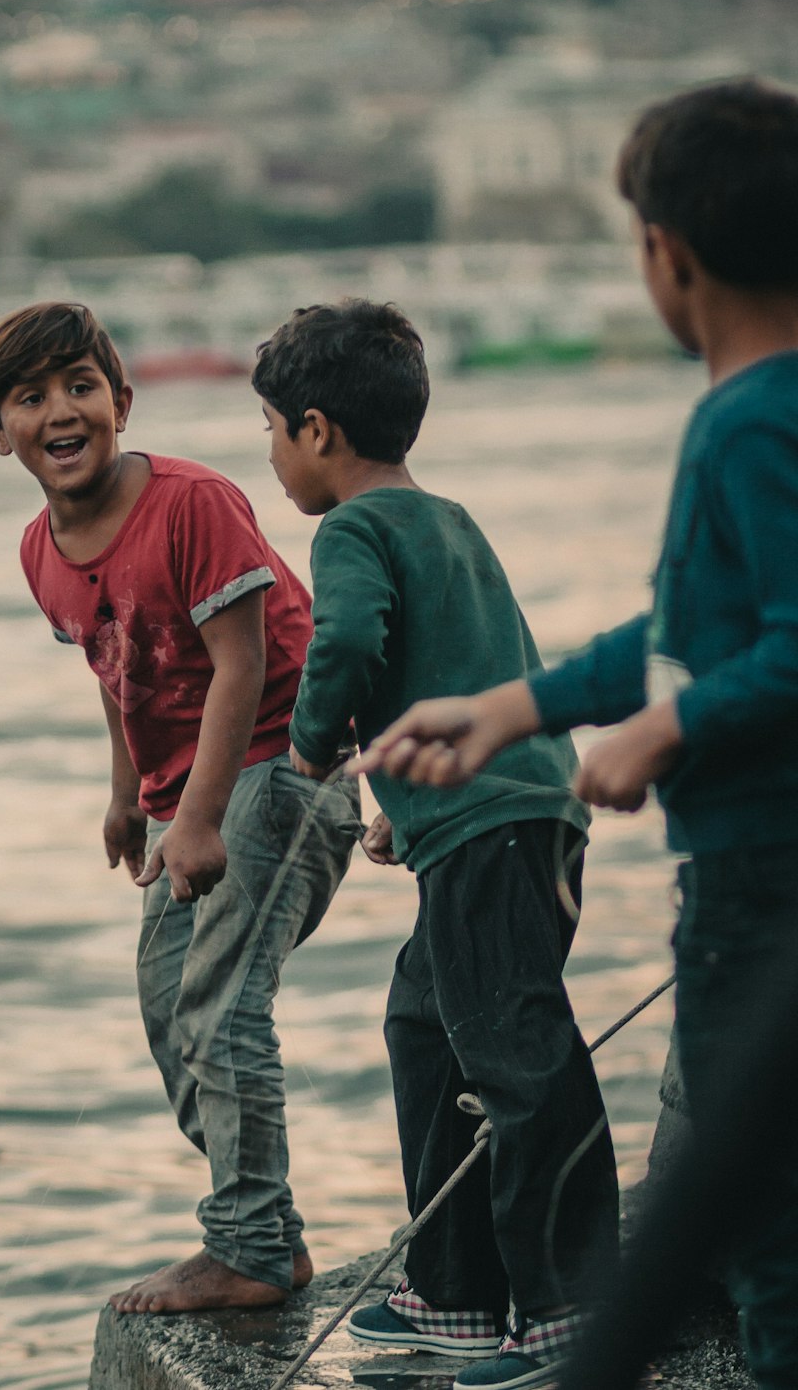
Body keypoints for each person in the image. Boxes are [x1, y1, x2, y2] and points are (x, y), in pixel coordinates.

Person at [355, 77, 798, 1390]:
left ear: (666, 252)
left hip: (759, 873)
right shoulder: (757, 414)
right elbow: (683, 622)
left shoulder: (753, 422)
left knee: (761, 1209)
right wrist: (514, 707)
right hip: (751, 868)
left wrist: (664, 732)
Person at [252, 299, 619, 1388]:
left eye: (270, 430)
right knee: (427, 1027)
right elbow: (468, 660)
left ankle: (569, 1309)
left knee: (516, 1058)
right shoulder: (448, 518)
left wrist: (312, 748)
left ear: (316, 430)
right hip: (510, 817)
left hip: (492, 830)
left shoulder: (351, 530)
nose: (270, 455)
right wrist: (395, 800)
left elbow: (352, 641)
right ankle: (454, 1293)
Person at [0, 301, 361, 1314]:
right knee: (169, 1011)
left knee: (220, 1009)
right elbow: (115, 668)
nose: (62, 411)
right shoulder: (38, 550)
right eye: (31, 396)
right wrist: (123, 799)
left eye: (81, 386)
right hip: (179, 799)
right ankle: (264, 1223)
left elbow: (245, 663)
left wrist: (197, 817)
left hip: (280, 768)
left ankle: (251, 1244)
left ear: (122, 400)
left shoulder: (192, 503)